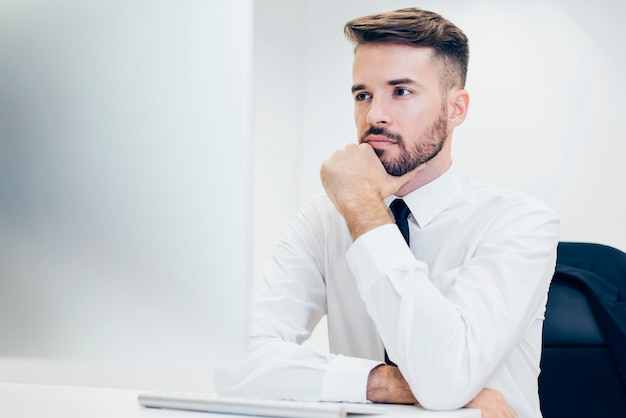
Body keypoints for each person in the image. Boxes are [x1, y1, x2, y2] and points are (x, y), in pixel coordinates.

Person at [215, 7, 559, 418]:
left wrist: (364, 211)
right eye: (363, 94)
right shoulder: (325, 218)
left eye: (401, 91)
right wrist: (389, 383)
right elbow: (234, 362)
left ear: (456, 109)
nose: (374, 114)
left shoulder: (519, 223)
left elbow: (445, 377)